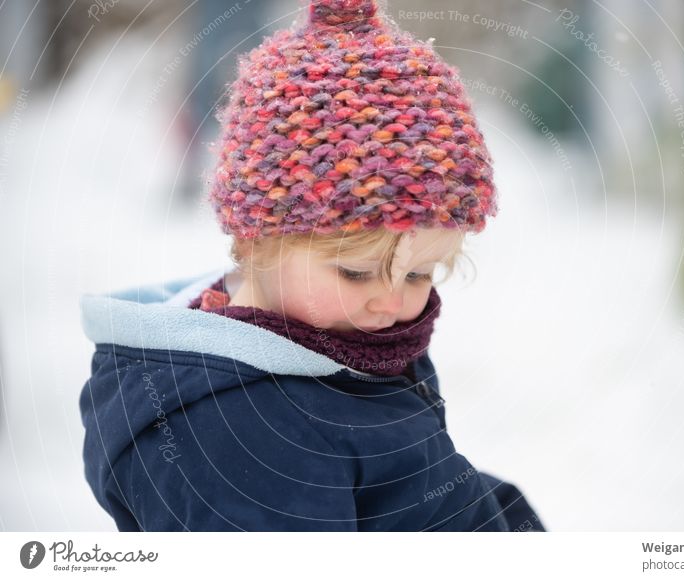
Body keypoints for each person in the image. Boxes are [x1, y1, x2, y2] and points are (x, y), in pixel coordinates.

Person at [78, 0, 546, 532]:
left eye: (419, 274)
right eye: (355, 272)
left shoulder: (345, 344)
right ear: (256, 244)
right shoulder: (234, 432)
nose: (391, 303)